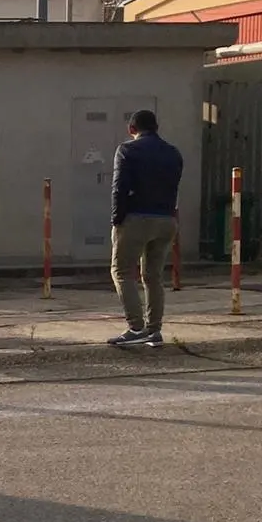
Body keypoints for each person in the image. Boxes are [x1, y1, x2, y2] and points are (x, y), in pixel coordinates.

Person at [108, 109, 185, 350]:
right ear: (156, 127)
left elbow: (119, 188)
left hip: (136, 219)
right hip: (166, 220)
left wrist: (116, 219)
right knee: (153, 276)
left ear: (132, 129)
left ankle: (136, 327)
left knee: (121, 271)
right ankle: (154, 330)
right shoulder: (174, 153)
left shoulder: (127, 150)